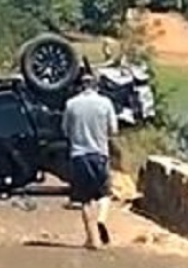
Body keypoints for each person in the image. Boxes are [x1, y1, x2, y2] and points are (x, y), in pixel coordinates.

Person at [61, 72, 119, 250]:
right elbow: (113, 130)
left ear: (80, 86)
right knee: (105, 194)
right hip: (100, 154)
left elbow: (65, 130)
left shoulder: (71, 104)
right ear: (96, 86)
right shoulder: (105, 103)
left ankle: (91, 239)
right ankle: (101, 220)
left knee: (84, 200)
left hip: (79, 156)